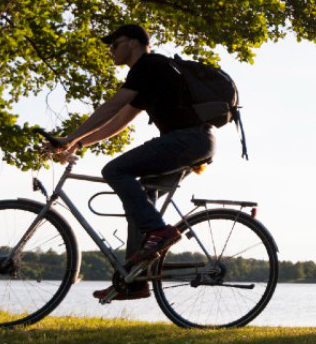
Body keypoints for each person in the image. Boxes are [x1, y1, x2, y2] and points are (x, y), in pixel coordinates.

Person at [47, 24, 215, 301]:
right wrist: (78, 143)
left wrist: (69, 137)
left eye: (114, 43)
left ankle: (160, 232)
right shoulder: (151, 76)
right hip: (193, 141)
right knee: (140, 201)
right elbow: (120, 120)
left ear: (134, 44)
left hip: (189, 139)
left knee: (115, 170)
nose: (110, 50)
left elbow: (112, 106)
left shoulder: (148, 65)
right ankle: (135, 281)